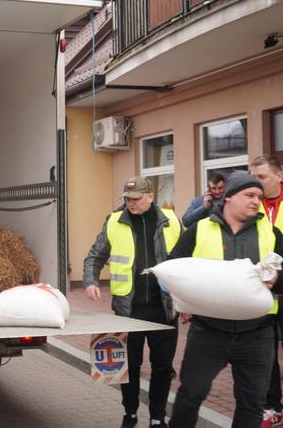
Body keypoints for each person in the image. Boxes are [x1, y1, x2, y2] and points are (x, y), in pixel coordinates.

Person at [168, 172, 283, 428]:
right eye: (249, 195)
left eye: (259, 197)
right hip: (209, 331)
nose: (256, 201)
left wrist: (276, 277)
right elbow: (173, 266)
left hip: (258, 333)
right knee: (190, 395)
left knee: (252, 402)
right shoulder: (199, 230)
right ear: (229, 197)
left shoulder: (271, 233)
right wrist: (185, 300)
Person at [83, 176, 181, 428]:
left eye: (136, 198)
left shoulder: (172, 222)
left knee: (162, 367)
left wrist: (189, 301)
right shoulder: (115, 220)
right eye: (127, 198)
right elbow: (95, 255)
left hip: (164, 309)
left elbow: (186, 261)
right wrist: (91, 281)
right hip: (128, 311)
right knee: (130, 367)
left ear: (151, 197)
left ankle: (158, 418)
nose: (130, 203)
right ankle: (130, 413)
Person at [249, 155, 283, 427]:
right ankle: (273, 407)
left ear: (279, 176)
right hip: (264, 295)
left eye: (261, 177)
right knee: (266, 356)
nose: (256, 182)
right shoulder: (250, 206)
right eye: (253, 177)